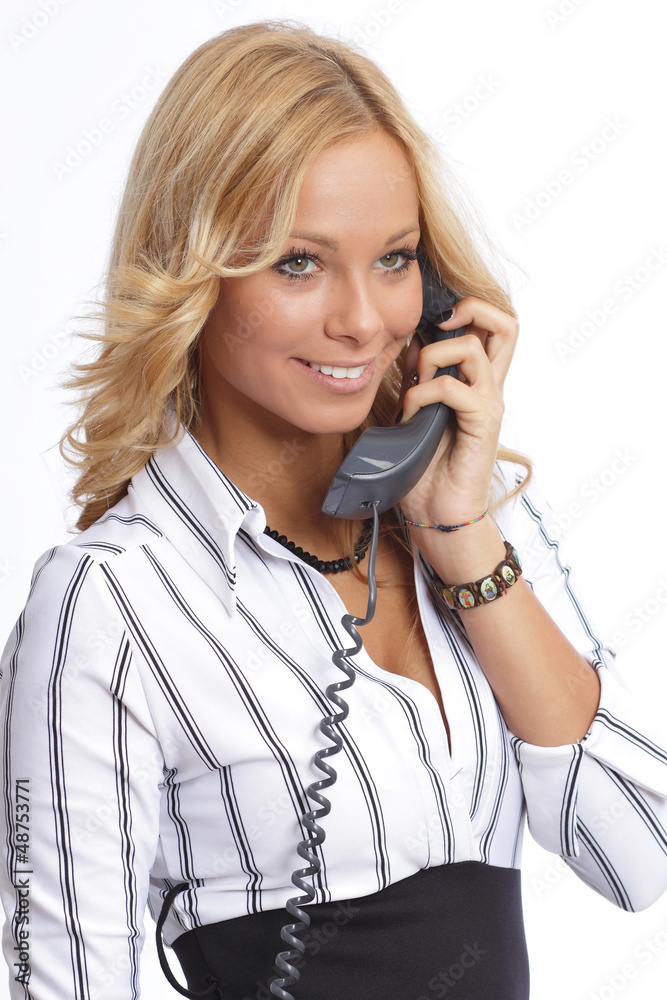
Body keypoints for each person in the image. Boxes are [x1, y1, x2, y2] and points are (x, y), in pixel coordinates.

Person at [1, 20, 666, 1000]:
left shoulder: (473, 524)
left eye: (394, 260)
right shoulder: (112, 600)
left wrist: (462, 534)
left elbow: (639, 852)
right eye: (299, 263)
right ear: (195, 273)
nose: (363, 319)